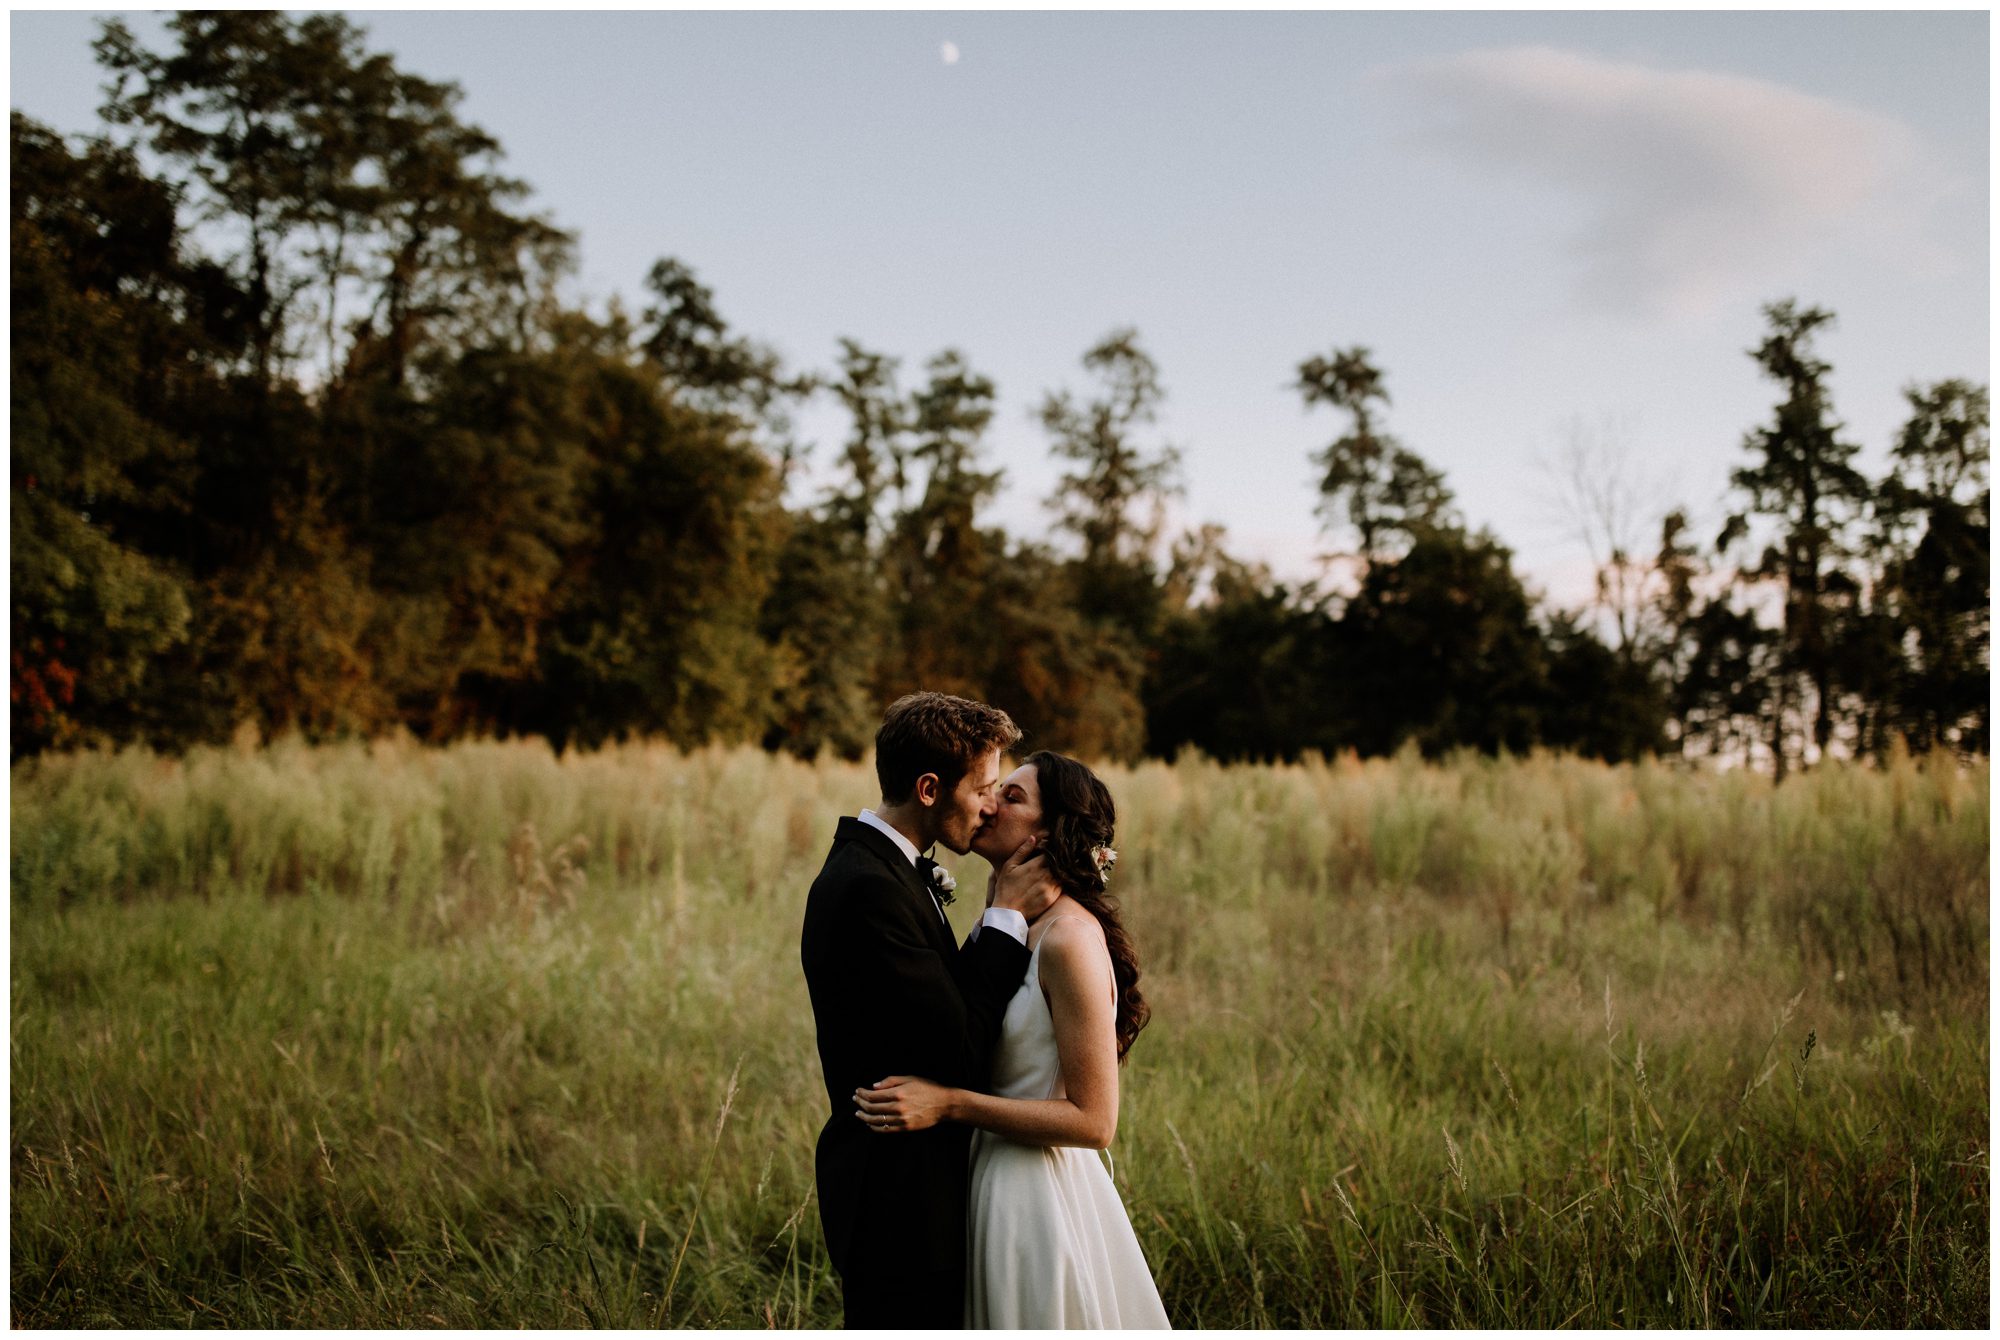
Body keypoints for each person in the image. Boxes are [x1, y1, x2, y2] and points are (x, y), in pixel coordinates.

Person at [854, 750, 1170, 1329]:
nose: (989, 802)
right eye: (997, 788)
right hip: (976, 1180)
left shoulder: (1069, 939)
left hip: (1033, 1200)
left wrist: (949, 1104)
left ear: (1051, 835)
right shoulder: (1003, 919)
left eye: (1014, 796)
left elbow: (1095, 1122)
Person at [800, 692, 1061, 1329]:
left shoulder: (889, 868)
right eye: (985, 788)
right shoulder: (869, 889)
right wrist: (1006, 915)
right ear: (927, 788)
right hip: (895, 1200)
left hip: (915, 1190)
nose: (993, 805)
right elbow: (959, 1053)